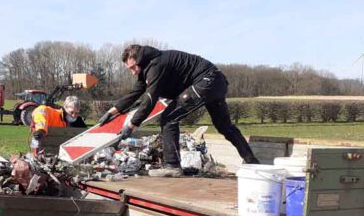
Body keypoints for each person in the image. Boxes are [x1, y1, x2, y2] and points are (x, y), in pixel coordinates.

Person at [98, 44, 259, 177]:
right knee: (224, 126)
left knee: (168, 118)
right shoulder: (148, 68)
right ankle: (252, 162)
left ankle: (172, 166)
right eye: (129, 69)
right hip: (215, 82)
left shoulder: (156, 65)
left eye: (133, 67)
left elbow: (150, 99)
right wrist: (113, 111)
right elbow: (135, 94)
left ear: (140, 60)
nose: (133, 72)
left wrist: (132, 125)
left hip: (206, 81)